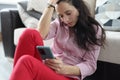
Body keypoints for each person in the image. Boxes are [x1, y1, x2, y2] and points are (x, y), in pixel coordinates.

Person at [9, 0, 106, 80]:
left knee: (26, 61)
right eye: (61, 15)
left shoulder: (94, 29)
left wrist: (64, 69)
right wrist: (50, 4)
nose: (66, 19)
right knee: (29, 33)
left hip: (68, 76)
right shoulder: (59, 23)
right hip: (49, 69)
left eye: (68, 13)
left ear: (79, 9)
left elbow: (91, 65)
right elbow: (40, 34)